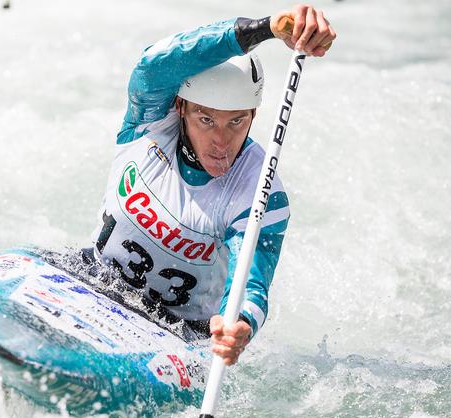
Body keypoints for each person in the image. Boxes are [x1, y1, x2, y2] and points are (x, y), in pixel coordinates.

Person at [90, 5, 336, 365]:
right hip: (90, 281)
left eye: (236, 122)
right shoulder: (149, 123)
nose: (222, 141)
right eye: (207, 120)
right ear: (181, 108)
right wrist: (265, 29)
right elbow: (156, 63)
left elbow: (250, 285)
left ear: (253, 116)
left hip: (177, 333)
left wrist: (240, 325)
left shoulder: (260, 191)